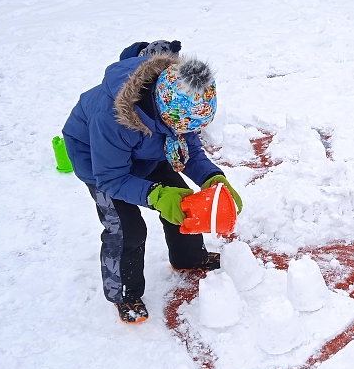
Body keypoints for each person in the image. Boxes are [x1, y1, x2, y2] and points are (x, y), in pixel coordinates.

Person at [62, 46, 242, 323]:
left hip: (148, 150)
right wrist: (156, 195)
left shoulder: (181, 108)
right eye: (183, 127)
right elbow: (111, 177)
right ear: (163, 111)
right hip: (100, 163)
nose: (187, 132)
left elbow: (190, 150)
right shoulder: (109, 118)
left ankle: (188, 258)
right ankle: (125, 293)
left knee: (183, 202)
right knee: (127, 230)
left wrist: (212, 178)